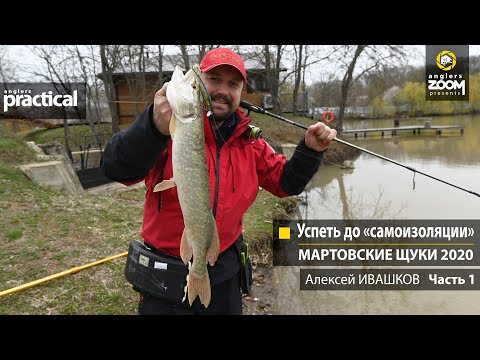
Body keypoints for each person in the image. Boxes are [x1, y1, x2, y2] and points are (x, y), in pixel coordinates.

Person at [101, 47, 337, 315]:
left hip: (225, 276)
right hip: (164, 280)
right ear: (200, 81)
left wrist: (310, 150)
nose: (223, 90)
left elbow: (286, 183)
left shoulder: (250, 142)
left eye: (233, 84)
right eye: (214, 80)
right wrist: (152, 126)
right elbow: (115, 169)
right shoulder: (167, 128)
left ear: (240, 92)